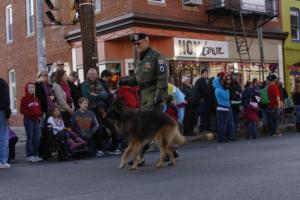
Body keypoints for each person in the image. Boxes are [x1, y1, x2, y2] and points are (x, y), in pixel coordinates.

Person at [129, 32, 168, 112]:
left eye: (138, 43)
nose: (136, 46)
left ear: (146, 41)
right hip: (143, 97)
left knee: (153, 123)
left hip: (153, 97)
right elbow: (139, 77)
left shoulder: (157, 56)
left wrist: (159, 96)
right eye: (134, 44)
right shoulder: (141, 58)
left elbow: (163, 77)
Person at [20, 82, 43, 162]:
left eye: (33, 87)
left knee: (37, 137)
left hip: (36, 120)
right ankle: (29, 155)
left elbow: (39, 108)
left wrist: (39, 113)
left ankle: (35, 154)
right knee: (30, 137)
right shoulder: (24, 99)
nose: (31, 89)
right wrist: (31, 114)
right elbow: (22, 110)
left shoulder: (36, 98)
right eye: (29, 87)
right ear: (26, 89)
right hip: (28, 120)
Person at [213, 74, 231, 143]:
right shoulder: (219, 90)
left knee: (221, 124)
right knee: (223, 124)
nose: (222, 82)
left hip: (221, 107)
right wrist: (227, 90)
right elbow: (226, 97)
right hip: (223, 107)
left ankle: (221, 138)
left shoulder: (218, 89)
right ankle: (222, 138)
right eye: (220, 81)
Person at [0, 77, 12, 168]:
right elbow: (6, 100)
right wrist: (7, 115)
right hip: (1, 112)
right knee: (3, 136)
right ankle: (2, 161)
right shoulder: (2, 83)